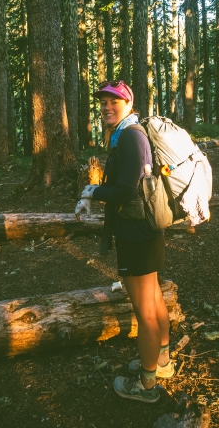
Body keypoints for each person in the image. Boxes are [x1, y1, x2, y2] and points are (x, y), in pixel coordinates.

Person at [75, 80, 174, 404]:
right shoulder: (127, 134)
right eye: (103, 102)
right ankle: (161, 361)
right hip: (145, 230)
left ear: (128, 104)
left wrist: (92, 191)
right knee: (154, 299)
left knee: (145, 312)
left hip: (137, 234)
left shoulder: (131, 137)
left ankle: (147, 385)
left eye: (114, 101)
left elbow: (125, 191)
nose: (107, 107)